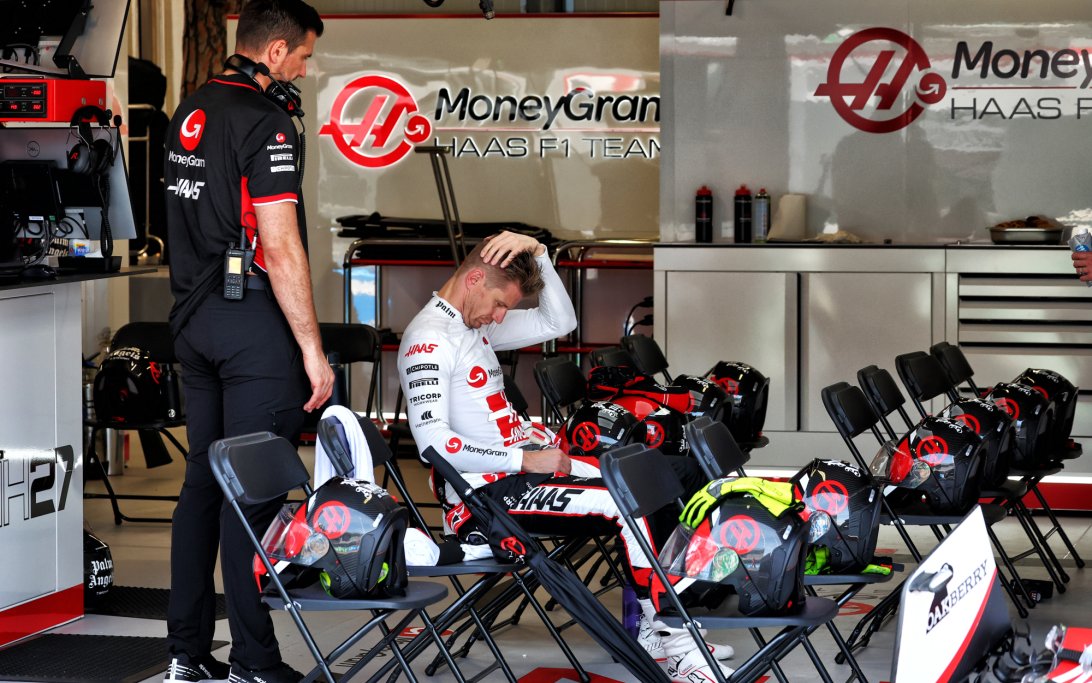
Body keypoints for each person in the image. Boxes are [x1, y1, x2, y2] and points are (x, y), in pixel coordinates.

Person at [396, 231, 735, 682]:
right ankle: (674, 639)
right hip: (484, 498)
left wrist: (540, 252)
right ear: (475, 278)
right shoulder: (428, 339)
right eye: (499, 303)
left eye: (506, 310)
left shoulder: (472, 321)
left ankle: (660, 628)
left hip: (525, 473)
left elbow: (559, 322)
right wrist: (525, 461)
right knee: (624, 502)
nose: (500, 317)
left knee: (661, 472)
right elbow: (433, 445)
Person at [163, 2, 331, 682]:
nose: (305, 69)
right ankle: (256, 661)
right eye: (304, 57)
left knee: (202, 482)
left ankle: (184, 654)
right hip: (251, 329)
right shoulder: (267, 123)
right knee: (249, 494)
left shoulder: (189, 111)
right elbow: (282, 249)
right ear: (275, 53)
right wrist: (313, 351)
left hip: (193, 323)